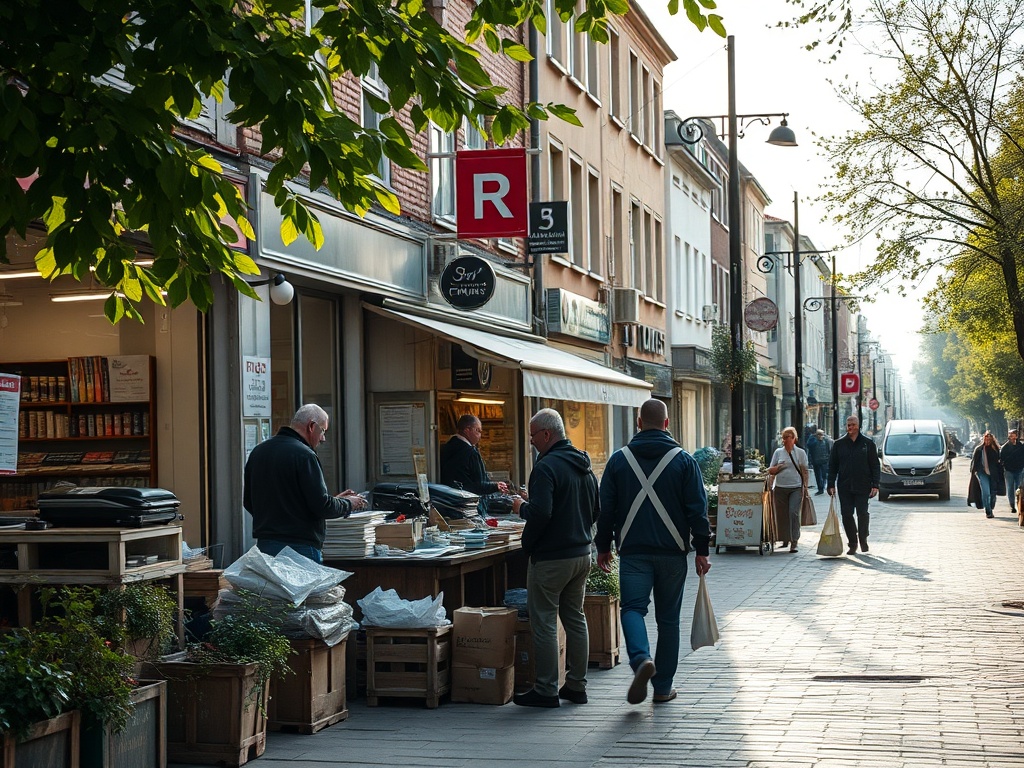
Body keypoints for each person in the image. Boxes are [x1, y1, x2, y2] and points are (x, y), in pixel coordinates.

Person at [595, 399, 711, 705]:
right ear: (667, 423)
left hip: (634, 553)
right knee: (669, 620)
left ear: (638, 422)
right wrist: (702, 549)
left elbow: (605, 510)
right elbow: (698, 510)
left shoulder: (619, 461)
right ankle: (662, 688)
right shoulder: (684, 461)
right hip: (673, 554)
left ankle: (641, 660)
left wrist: (603, 546)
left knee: (632, 609)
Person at [510, 408, 599, 708]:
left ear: (547, 434)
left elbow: (541, 512)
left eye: (533, 435)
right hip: (581, 554)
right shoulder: (583, 464)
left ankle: (547, 689)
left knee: (545, 620)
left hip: (551, 558)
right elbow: (596, 510)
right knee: (575, 618)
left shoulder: (546, 467)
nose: (532, 441)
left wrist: (522, 508)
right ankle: (576, 685)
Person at [243, 404, 367, 563]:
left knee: (273, 589)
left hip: (266, 546)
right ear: (311, 426)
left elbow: (248, 501)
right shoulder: (305, 455)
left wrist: (274, 521)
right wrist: (348, 504)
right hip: (300, 548)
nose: (323, 438)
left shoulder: (259, 452)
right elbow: (321, 506)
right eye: (323, 431)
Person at [827, 415, 881, 555]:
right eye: (848, 424)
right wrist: (830, 484)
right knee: (846, 514)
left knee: (862, 513)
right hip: (845, 486)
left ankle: (863, 538)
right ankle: (852, 543)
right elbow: (833, 466)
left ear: (858, 426)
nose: (850, 427)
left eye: (853, 424)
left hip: (863, 485)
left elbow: (875, 465)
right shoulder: (839, 444)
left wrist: (875, 485)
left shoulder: (867, 444)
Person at [439, 414, 509, 495]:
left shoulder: (446, 447)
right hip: (468, 500)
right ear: (467, 430)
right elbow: (478, 485)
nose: (480, 435)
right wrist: (495, 486)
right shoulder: (470, 452)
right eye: (477, 430)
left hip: (448, 497)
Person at [767, 426, 810, 553]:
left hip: (795, 488)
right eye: (783, 437)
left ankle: (794, 541)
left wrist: (805, 487)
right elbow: (771, 470)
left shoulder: (800, 453)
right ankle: (784, 538)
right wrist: (771, 484)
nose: (785, 440)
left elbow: (805, 471)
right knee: (782, 515)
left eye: (787, 437)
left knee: (793, 513)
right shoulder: (778, 452)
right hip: (780, 488)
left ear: (794, 439)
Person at [968, 431, 1004, 519]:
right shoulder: (979, 449)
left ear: (992, 440)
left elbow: (1000, 462)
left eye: (989, 439)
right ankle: (988, 511)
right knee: (986, 492)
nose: (987, 441)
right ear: (984, 439)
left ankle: (991, 506)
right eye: (986, 439)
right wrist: (973, 471)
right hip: (982, 473)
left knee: (993, 493)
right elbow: (974, 462)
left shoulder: (996, 449)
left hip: (993, 474)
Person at [999, 430, 1024, 520]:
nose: (1012, 437)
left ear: (1016, 436)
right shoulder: (1005, 447)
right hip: (1009, 470)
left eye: (1014, 436)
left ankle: (1018, 504)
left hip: (1019, 470)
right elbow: (1001, 458)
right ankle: (1012, 505)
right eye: (1011, 436)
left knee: (1018, 488)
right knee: (1010, 488)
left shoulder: (1021, 446)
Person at [809, 429, 833, 495]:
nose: (820, 436)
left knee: (823, 475)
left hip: (824, 461)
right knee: (818, 475)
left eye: (821, 434)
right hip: (816, 461)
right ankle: (820, 488)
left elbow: (829, 449)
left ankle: (822, 486)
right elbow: (809, 445)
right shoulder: (813, 440)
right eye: (819, 434)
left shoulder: (826, 440)